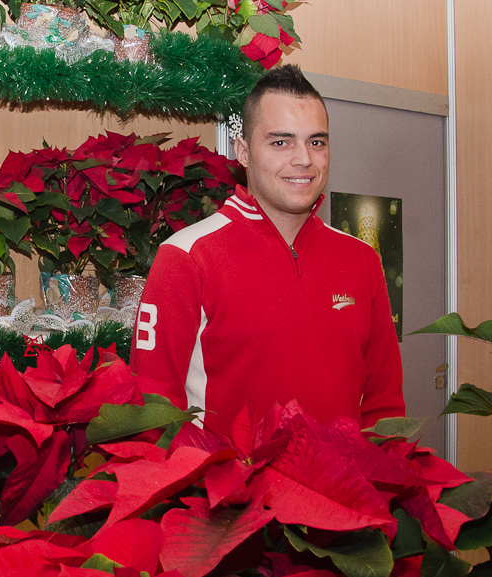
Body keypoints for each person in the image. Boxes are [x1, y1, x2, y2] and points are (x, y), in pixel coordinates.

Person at [131, 64, 404, 432]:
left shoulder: (361, 260)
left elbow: (384, 405)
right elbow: (153, 410)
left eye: (316, 142)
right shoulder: (186, 257)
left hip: (340, 487)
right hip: (229, 488)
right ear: (243, 152)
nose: (304, 159)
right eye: (281, 142)